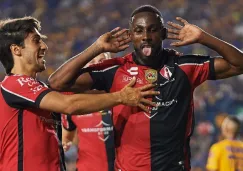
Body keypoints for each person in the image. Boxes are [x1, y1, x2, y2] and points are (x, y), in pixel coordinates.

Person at [48, 5, 243, 171]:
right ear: (131, 35)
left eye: (152, 30)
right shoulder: (115, 69)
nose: (146, 37)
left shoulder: (184, 66)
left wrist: (203, 37)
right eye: (139, 31)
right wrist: (97, 48)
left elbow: (239, 64)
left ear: (164, 34)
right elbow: (57, 82)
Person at [0, 16, 159, 171]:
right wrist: (121, 97)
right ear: (16, 50)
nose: (44, 46)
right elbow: (69, 105)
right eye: (36, 40)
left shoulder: (38, 89)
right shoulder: (15, 85)